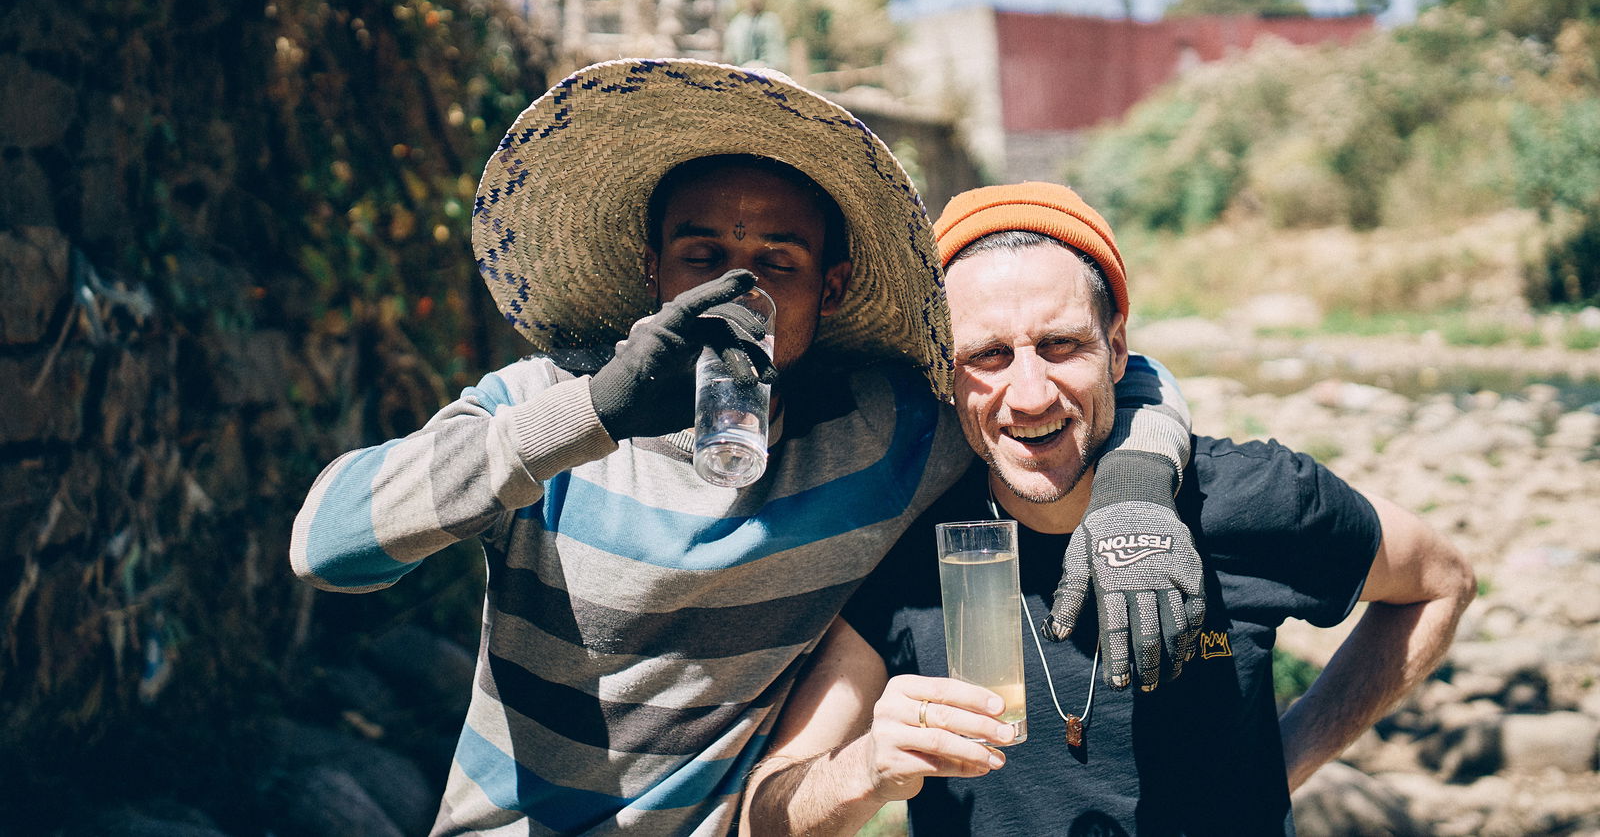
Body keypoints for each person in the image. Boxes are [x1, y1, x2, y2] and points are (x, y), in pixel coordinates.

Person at [289, 62, 1200, 836]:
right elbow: (324, 544)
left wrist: (1134, 484)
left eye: (778, 260)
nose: (738, 290)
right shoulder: (547, 406)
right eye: (702, 255)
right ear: (654, 272)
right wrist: (596, 412)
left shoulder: (888, 433)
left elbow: (1101, 374)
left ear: (831, 288)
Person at [743, 182, 1477, 837]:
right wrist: (867, 767)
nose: (1030, 394)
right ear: (945, 371)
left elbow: (1441, 579)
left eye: (1061, 346)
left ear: (1118, 349)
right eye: (989, 356)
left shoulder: (1243, 498)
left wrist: (1284, 764)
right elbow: (763, 815)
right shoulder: (907, 534)